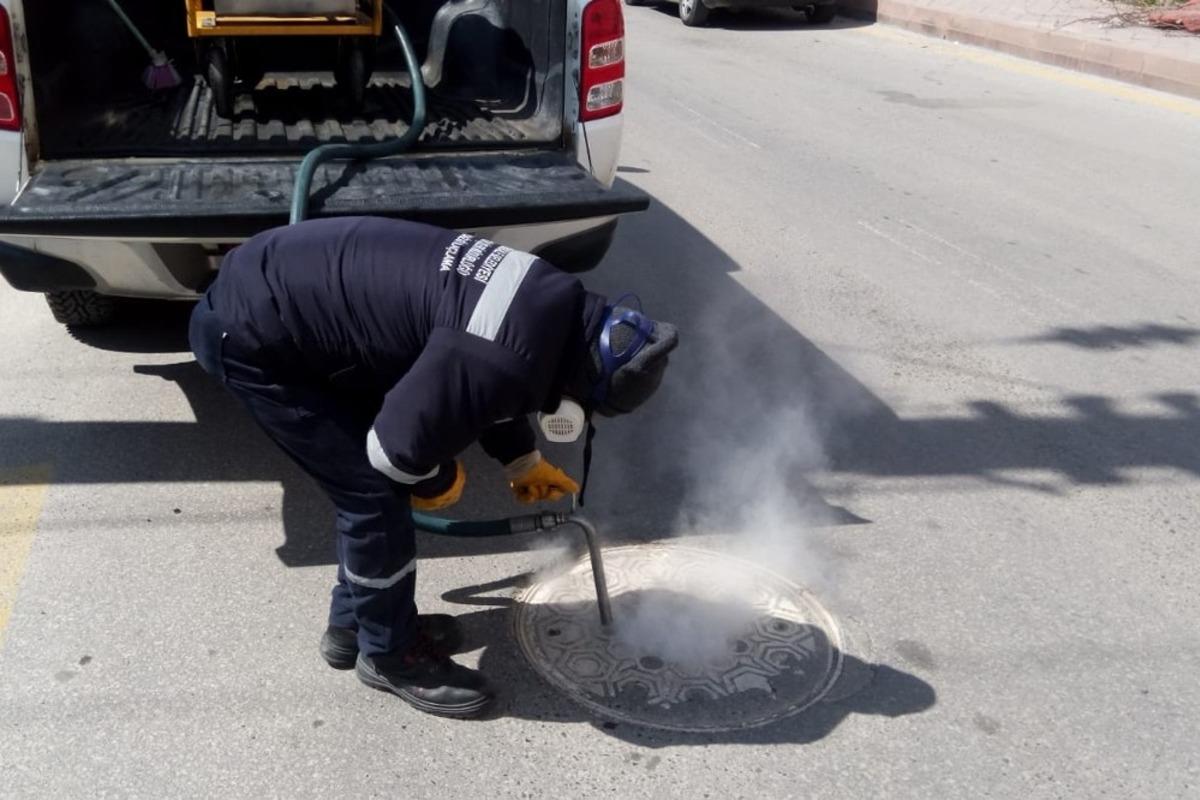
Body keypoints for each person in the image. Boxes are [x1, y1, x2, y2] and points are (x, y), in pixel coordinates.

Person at [189, 216, 677, 718]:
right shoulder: (504, 354)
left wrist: (522, 459)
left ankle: (355, 624)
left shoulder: (553, 299)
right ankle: (390, 657)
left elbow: (493, 377)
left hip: (297, 304)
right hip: (255, 336)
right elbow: (399, 447)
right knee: (374, 495)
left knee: (372, 489)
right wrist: (437, 476)